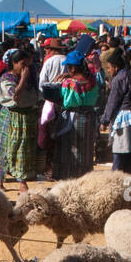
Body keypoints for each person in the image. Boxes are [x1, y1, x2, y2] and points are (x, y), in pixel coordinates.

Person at [0, 47, 42, 193]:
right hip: (12, 117)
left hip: (27, 117)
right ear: (14, 63)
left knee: (24, 148)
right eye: (23, 64)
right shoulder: (7, 79)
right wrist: (23, 79)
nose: (25, 68)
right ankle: (1, 178)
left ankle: (22, 180)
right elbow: (14, 97)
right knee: (6, 147)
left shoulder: (31, 76)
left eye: (27, 64)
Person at [53, 50, 100, 179]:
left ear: (72, 68)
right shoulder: (93, 80)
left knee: (71, 149)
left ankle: (71, 177)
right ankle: (85, 177)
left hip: (73, 118)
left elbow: (66, 101)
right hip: (89, 117)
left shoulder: (69, 84)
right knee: (86, 150)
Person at [99, 47, 131, 174]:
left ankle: (116, 182)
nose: (108, 71)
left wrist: (105, 120)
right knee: (129, 153)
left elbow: (112, 101)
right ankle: (127, 182)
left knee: (119, 152)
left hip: (124, 119)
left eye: (109, 68)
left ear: (116, 67)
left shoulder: (119, 79)